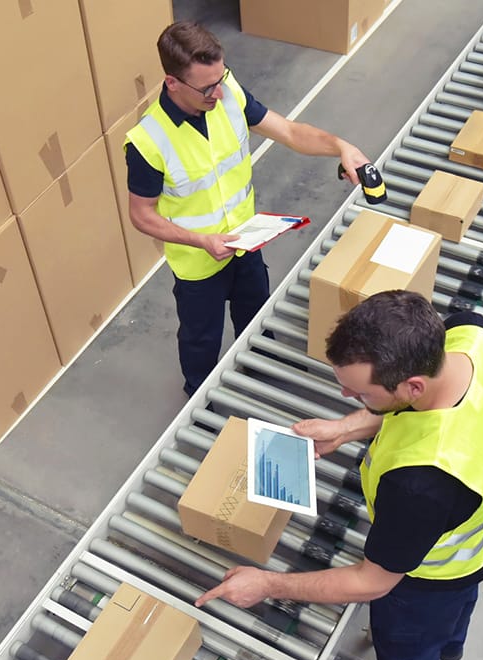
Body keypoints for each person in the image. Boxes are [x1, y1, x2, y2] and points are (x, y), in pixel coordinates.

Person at [195, 290, 483, 660]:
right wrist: (346, 428)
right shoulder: (477, 337)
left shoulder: (422, 482)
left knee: (406, 646)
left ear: (411, 387)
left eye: (361, 393)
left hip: (433, 573)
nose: (348, 396)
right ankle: (452, 643)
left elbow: (372, 583)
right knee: (460, 604)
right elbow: (418, 405)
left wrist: (267, 583)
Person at [125, 21, 371, 396]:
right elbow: (141, 214)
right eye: (207, 86)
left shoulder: (228, 93)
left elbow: (288, 131)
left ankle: (261, 368)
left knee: (256, 315)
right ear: (172, 83)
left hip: (246, 241)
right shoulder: (148, 140)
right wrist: (201, 240)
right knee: (200, 341)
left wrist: (340, 146)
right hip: (199, 263)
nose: (218, 91)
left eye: (220, 77)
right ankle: (201, 401)